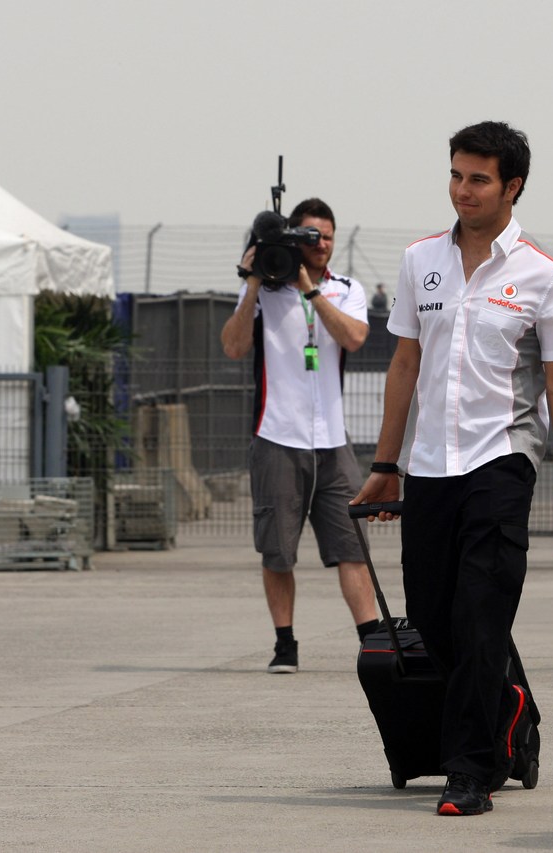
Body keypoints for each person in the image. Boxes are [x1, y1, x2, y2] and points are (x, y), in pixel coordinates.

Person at [352, 121, 553, 817]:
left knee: (481, 613)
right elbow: (405, 363)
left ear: (512, 185)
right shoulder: (419, 261)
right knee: (434, 616)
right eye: (457, 175)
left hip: (502, 462)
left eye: (479, 178)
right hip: (430, 466)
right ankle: (512, 705)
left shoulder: (548, 276)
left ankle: (471, 768)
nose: (464, 189)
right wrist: (385, 462)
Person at [220, 197, 379, 674]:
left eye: (327, 236)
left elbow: (353, 337)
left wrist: (310, 290)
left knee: (353, 545)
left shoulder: (346, 289)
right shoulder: (264, 293)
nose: (322, 244)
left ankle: (371, 639)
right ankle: (284, 643)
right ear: (291, 238)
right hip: (277, 436)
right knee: (278, 549)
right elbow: (232, 346)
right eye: (311, 236)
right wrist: (253, 281)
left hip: (332, 440)